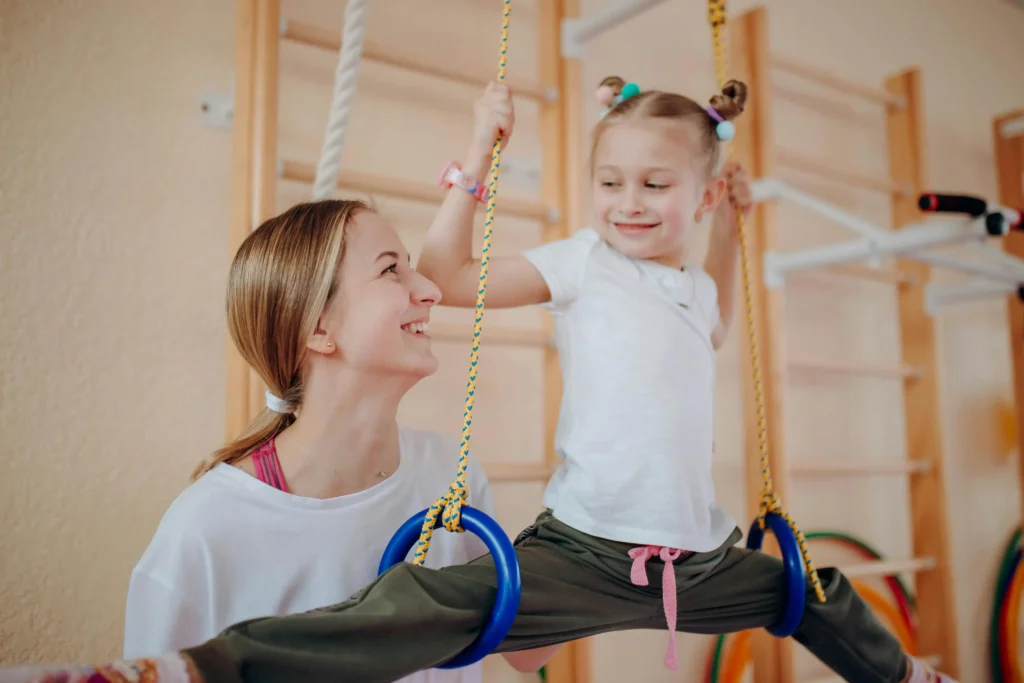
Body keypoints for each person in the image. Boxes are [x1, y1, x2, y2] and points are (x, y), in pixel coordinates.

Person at [3, 80, 955, 683]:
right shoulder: (586, 262)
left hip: (693, 557)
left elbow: (712, 313)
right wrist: (478, 150)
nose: (628, 203)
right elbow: (453, 276)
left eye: (657, 187)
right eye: (611, 181)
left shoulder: (687, 293)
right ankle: (193, 671)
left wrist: (733, 230)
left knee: (813, 590)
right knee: (432, 599)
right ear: (317, 330)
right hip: (581, 551)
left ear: (702, 195)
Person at [119, 199, 557, 680]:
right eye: (392, 270)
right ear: (318, 327)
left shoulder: (450, 471)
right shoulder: (205, 532)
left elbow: (525, 651)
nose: (431, 290)